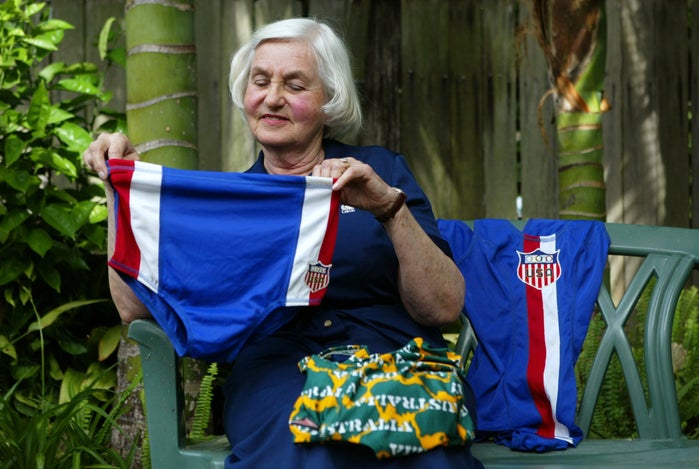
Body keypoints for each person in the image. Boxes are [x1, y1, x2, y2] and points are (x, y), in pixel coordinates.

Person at [85, 17, 480, 468]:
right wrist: (119, 189)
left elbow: (443, 308)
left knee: (417, 444)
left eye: (295, 85)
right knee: (300, 443)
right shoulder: (229, 203)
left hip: (394, 354)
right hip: (279, 368)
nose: (272, 98)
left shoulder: (380, 172)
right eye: (260, 82)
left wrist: (390, 209)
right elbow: (134, 308)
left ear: (329, 101)